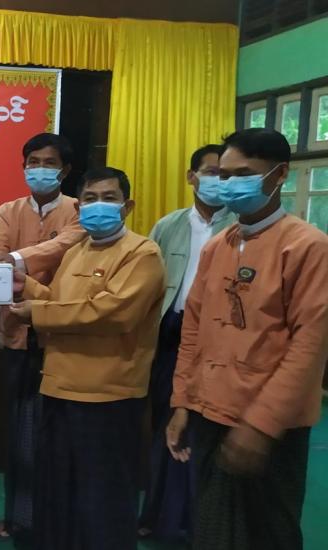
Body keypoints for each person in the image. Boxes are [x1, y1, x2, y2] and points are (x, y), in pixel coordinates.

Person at [167, 129, 328, 550]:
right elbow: (194, 330)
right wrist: (182, 403)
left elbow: (309, 347)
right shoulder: (218, 246)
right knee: (212, 530)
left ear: (280, 175)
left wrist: (261, 425)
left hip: (270, 428)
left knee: (268, 533)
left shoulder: (307, 247)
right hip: (209, 412)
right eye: (225, 174)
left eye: (244, 174)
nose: (230, 184)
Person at [10, 167, 166, 550]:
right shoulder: (76, 251)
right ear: (78, 208)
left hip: (108, 396)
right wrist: (25, 285)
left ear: (128, 206)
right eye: (91, 199)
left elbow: (113, 314)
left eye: (109, 198)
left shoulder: (142, 253)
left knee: (103, 501)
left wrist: (37, 312)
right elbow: (60, 303)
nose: (100, 206)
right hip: (59, 389)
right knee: (58, 495)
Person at [0, 133, 85, 542]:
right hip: (16, 336)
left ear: (65, 170)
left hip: (63, 336)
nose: (39, 169)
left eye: (49, 162)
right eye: (33, 162)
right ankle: (19, 517)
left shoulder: (79, 210)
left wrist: (16, 260)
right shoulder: (8, 211)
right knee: (19, 434)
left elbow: (64, 246)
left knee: (58, 436)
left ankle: (55, 519)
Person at [139, 144, 237, 540]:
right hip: (170, 334)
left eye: (224, 174)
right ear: (191, 176)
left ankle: (199, 520)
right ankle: (156, 514)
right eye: (209, 172)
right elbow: (148, 283)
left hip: (220, 341)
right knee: (166, 423)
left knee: (205, 429)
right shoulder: (168, 225)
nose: (217, 181)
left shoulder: (239, 226)